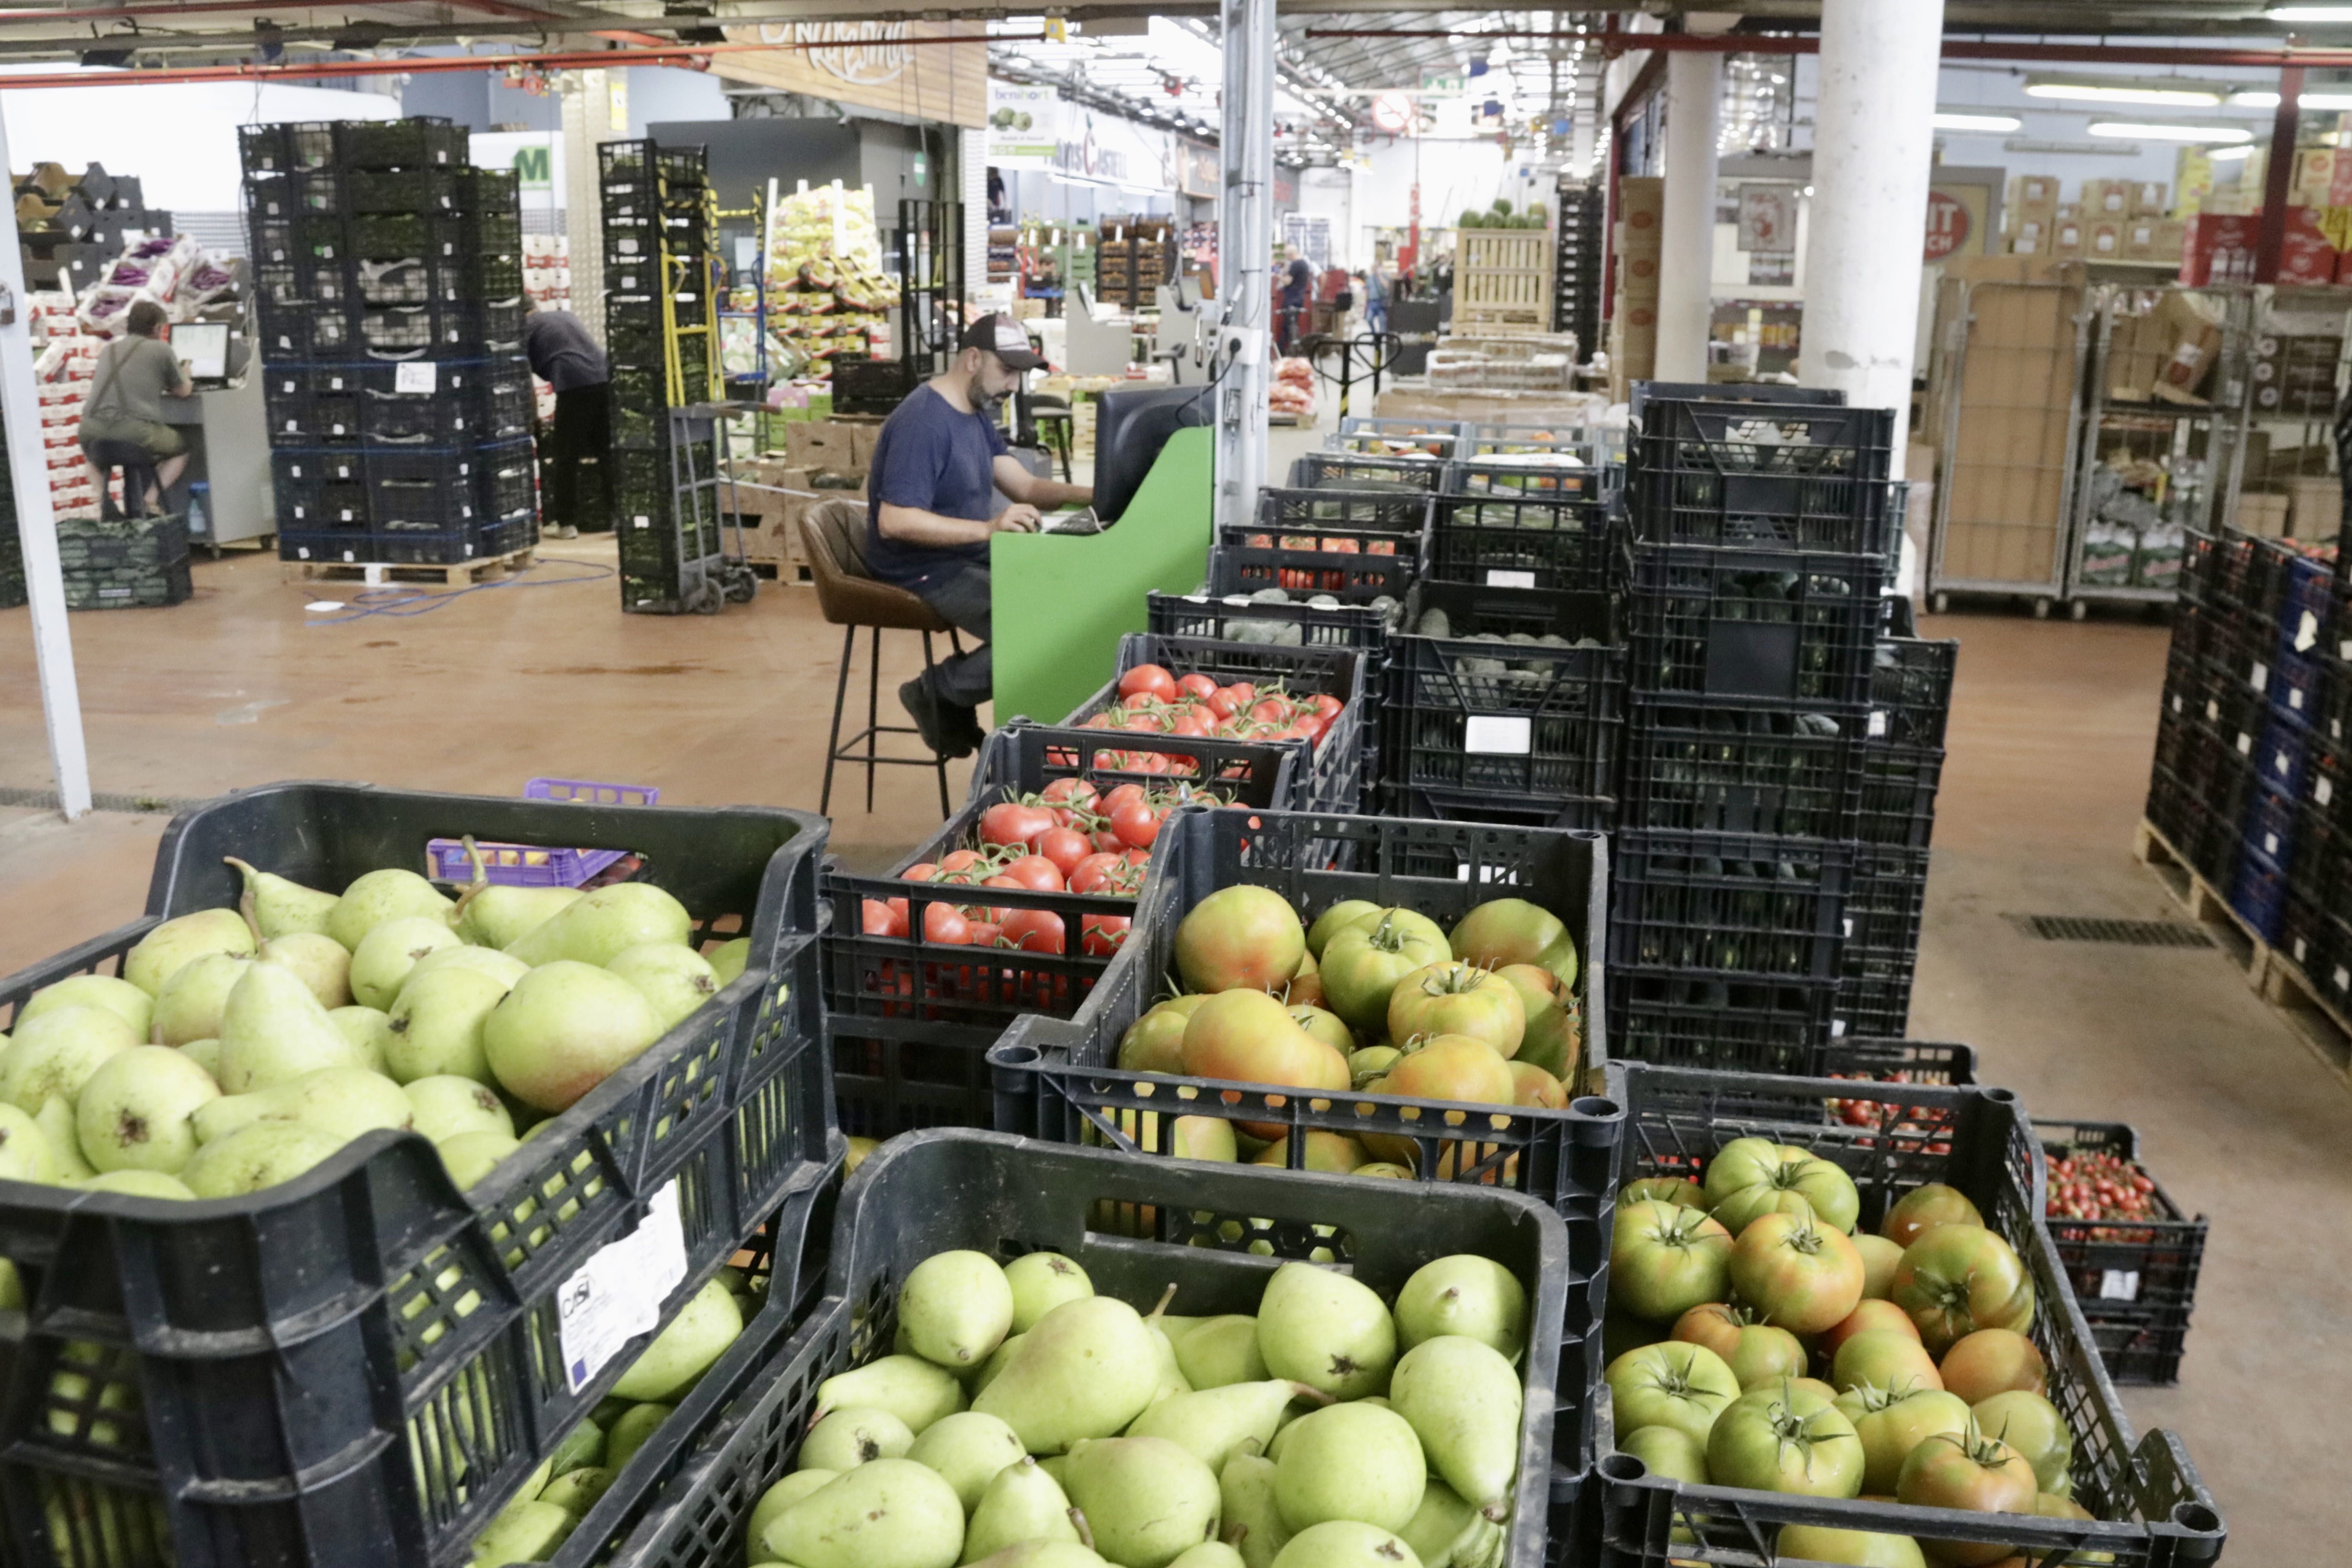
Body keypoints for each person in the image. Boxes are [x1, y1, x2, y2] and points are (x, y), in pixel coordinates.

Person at [867, 313, 1093, 758]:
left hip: (964, 554)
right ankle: (940, 690)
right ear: (973, 359)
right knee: (1041, 627)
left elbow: (1024, 486)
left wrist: (1096, 493)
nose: (1013, 385)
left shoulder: (973, 414)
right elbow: (894, 520)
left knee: (1067, 600)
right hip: (922, 567)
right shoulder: (924, 422)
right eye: (1007, 371)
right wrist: (988, 528)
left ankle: (956, 697)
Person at [78, 299, 191, 517]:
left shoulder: (108, 351)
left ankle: (104, 501)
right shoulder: (161, 349)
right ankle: (150, 500)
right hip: (134, 433)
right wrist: (186, 374)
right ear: (157, 328)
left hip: (89, 431)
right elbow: (183, 391)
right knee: (181, 449)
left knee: (93, 460)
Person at [523, 303, 612, 539]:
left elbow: (523, 380)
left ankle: (566, 523)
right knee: (606, 450)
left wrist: (532, 419)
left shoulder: (525, 328)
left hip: (573, 383)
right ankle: (620, 517)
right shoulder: (564, 315)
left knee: (566, 454)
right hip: (604, 378)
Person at [1278, 246, 1314, 353]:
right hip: (1299, 298)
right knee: (1290, 327)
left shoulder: (1296, 264)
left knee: (1288, 328)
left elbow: (1288, 281)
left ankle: (1283, 352)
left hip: (1291, 299)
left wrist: (1279, 276)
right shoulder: (1304, 264)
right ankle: (1287, 352)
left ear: (1291, 255)